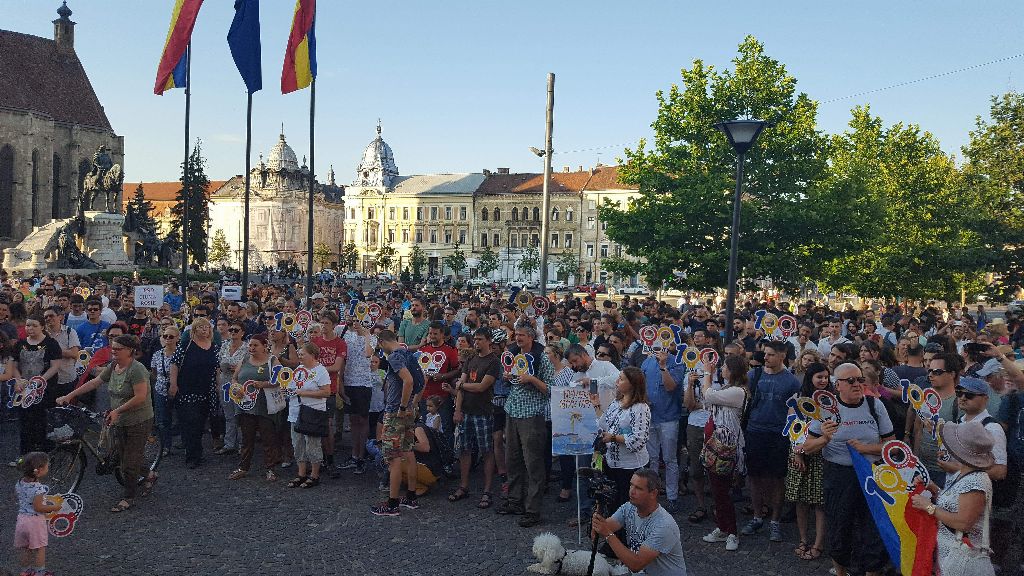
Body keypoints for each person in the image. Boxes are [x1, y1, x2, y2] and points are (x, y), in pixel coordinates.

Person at [802, 362, 894, 576]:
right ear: (838, 385)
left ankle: (871, 571)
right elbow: (807, 447)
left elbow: (891, 445)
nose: (857, 384)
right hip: (839, 475)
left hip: (870, 474)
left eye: (860, 379)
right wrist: (825, 438)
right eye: (850, 380)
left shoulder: (874, 405)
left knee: (871, 527)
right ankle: (841, 571)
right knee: (839, 526)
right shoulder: (826, 410)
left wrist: (866, 448)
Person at [58, 334, 154, 512]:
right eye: (113, 348)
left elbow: (140, 396)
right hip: (119, 419)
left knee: (128, 462)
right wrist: (70, 396)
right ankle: (149, 474)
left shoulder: (137, 369)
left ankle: (129, 497)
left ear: (130, 351)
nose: (113, 351)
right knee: (124, 455)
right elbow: (95, 382)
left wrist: (117, 410)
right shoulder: (114, 366)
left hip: (138, 420)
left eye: (118, 349)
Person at [911, 420, 996, 576]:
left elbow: (964, 523)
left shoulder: (976, 481)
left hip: (962, 561)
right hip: (951, 556)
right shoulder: (964, 473)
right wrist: (932, 487)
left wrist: (928, 507)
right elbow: (954, 502)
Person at [741, 340, 801, 541]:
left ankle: (775, 521)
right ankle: (757, 517)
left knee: (777, 478)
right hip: (755, 430)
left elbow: (796, 412)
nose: (765, 357)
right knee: (755, 477)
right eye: (765, 354)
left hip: (779, 434)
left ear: (782, 356)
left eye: (770, 354)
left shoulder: (792, 382)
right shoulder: (754, 375)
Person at [497, 324, 554, 528]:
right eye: (516, 335)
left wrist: (531, 378)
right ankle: (514, 501)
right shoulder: (512, 354)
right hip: (513, 410)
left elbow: (550, 389)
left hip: (532, 414)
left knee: (533, 464)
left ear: (531, 337)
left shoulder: (542, 359)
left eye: (521, 335)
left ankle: (533, 509)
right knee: (512, 459)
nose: (518, 338)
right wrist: (507, 377)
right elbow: (509, 382)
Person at [591, 469, 689, 576]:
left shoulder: (664, 525)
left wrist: (608, 534)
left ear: (653, 493)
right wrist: (599, 504)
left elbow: (636, 565)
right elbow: (599, 531)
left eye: (638, 488)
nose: (631, 491)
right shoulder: (628, 508)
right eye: (631, 485)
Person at [371, 330, 426, 516]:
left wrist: (402, 407)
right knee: (408, 452)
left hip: (396, 412)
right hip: (408, 410)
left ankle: (392, 504)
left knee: (393, 458)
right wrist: (413, 403)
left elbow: (408, 381)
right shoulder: (407, 354)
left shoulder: (394, 357)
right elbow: (422, 380)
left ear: (381, 341)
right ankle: (410, 497)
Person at [451, 327, 502, 508]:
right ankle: (464, 486)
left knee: (486, 451)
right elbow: (460, 387)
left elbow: (481, 386)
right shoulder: (471, 359)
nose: (477, 342)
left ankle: (487, 490)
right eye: (475, 339)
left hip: (483, 412)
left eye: (480, 339)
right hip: (466, 411)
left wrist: (462, 385)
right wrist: (458, 409)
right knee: (464, 451)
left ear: (489, 341)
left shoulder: (494, 362)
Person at [591, 367, 652, 518]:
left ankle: (629, 539)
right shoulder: (616, 403)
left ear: (632, 384)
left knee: (630, 508)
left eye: (622, 379)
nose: (617, 381)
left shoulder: (640, 408)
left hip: (631, 467)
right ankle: (615, 538)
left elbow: (638, 440)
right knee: (613, 505)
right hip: (612, 464)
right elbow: (603, 424)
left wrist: (613, 438)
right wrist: (596, 405)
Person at [784, 362, 830, 561]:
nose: (823, 381)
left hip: (822, 453)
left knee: (820, 503)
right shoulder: (798, 399)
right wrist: (797, 452)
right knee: (801, 500)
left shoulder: (831, 401)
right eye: (819, 377)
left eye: (826, 377)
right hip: (799, 452)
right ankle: (803, 539)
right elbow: (792, 427)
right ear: (810, 378)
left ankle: (818, 543)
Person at [228, 333, 282, 482]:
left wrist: (264, 384)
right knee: (247, 438)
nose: (251, 348)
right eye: (250, 345)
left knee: (268, 439)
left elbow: (280, 379)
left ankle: (270, 468)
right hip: (246, 406)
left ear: (265, 346)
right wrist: (235, 387)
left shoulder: (272, 360)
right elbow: (234, 378)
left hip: (265, 406)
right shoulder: (245, 359)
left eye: (255, 345)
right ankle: (243, 467)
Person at [169, 317, 219, 469]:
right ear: (194, 330)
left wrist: (218, 384)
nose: (205, 330)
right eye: (201, 327)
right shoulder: (186, 345)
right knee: (190, 421)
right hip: (187, 388)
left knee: (200, 422)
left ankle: (197, 451)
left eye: (207, 327)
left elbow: (217, 367)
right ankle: (191, 455)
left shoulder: (214, 346)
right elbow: (175, 364)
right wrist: (173, 384)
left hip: (207, 389)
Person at [642, 346, 685, 515]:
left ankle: (672, 497)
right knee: (651, 458)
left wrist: (663, 365)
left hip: (669, 418)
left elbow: (670, 386)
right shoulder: (647, 361)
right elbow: (641, 384)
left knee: (669, 458)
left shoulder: (677, 362)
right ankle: (652, 495)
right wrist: (644, 398)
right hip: (650, 416)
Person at [13, 314, 63, 456]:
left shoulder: (51, 344)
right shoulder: (20, 344)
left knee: (42, 421)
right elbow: (15, 365)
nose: (30, 328)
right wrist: (18, 379)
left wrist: (40, 380)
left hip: (45, 390)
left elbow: (55, 366)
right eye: (28, 325)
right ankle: (25, 455)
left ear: (42, 326)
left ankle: (43, 455)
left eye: (34, 325)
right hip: (24, 390)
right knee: (25, 422)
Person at [285, 342, 332, 489]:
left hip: (312, 412)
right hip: (296, 412)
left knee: (312, 444)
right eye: (299, 354)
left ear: (312, 355)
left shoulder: (321, 371)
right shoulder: (299, 369)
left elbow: (326, 392)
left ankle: (315, 475)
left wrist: (303, 393)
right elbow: (292, 388)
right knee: (297, 443)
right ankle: (301, 474)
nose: (299, 356)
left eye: (302, 354)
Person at [14, 452, 62, 576]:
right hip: (34, 522)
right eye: (47, 466)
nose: (48, 468)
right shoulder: (38, 489)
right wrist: (54, 507)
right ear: (39, 471)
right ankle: (40, 572)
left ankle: (25, 572)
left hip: (21, 520)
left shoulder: (20, 483)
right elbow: (38, 507)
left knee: (25, 548)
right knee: (40, 548)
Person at [338, 318, 375, 474]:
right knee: (353, 420)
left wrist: (365, 334)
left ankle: (361, 456)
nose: (355, 323)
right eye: (353, 320)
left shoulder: (372, 337)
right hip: (349, 380)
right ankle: (354, 454)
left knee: (363, 418)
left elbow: (368, 353)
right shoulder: (344, 334)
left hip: (364, 382)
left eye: (359, 320)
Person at [216, 320, 249, 456]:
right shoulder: (224, 345)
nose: (233, 333)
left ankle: (243, 445)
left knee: (240, 413)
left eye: (236, 330)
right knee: (228, 413)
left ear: (242, 332)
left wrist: (239, 368)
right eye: (231, 330)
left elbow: (250, 366)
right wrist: (218, 383)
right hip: (225, 383)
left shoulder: (247, 348)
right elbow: (218, 364)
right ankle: (229, 444)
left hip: (240, 383)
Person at [150, 324, 178, 457]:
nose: (167, 338)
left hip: (178, 389)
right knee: (162, 420)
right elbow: (154, 372)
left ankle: (184, 442)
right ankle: (165, 446)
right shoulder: (157, 354)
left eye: (171, 336)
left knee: (181, 418)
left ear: (177, 338)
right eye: (165, 336)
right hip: (160, 389)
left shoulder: (181, 354)